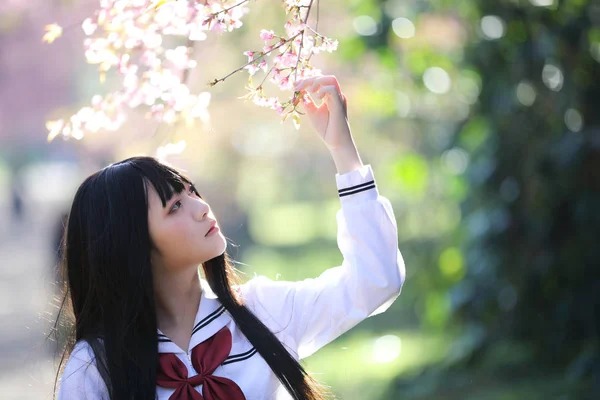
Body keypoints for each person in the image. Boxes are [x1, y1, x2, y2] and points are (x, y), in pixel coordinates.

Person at [53, 75, 406, 400]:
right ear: (130, 244)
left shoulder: (264, 311)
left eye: (192, 192)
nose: (201, 207)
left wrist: (342, 149)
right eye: (175, 206)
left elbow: (375, 281)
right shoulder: (93, 370)